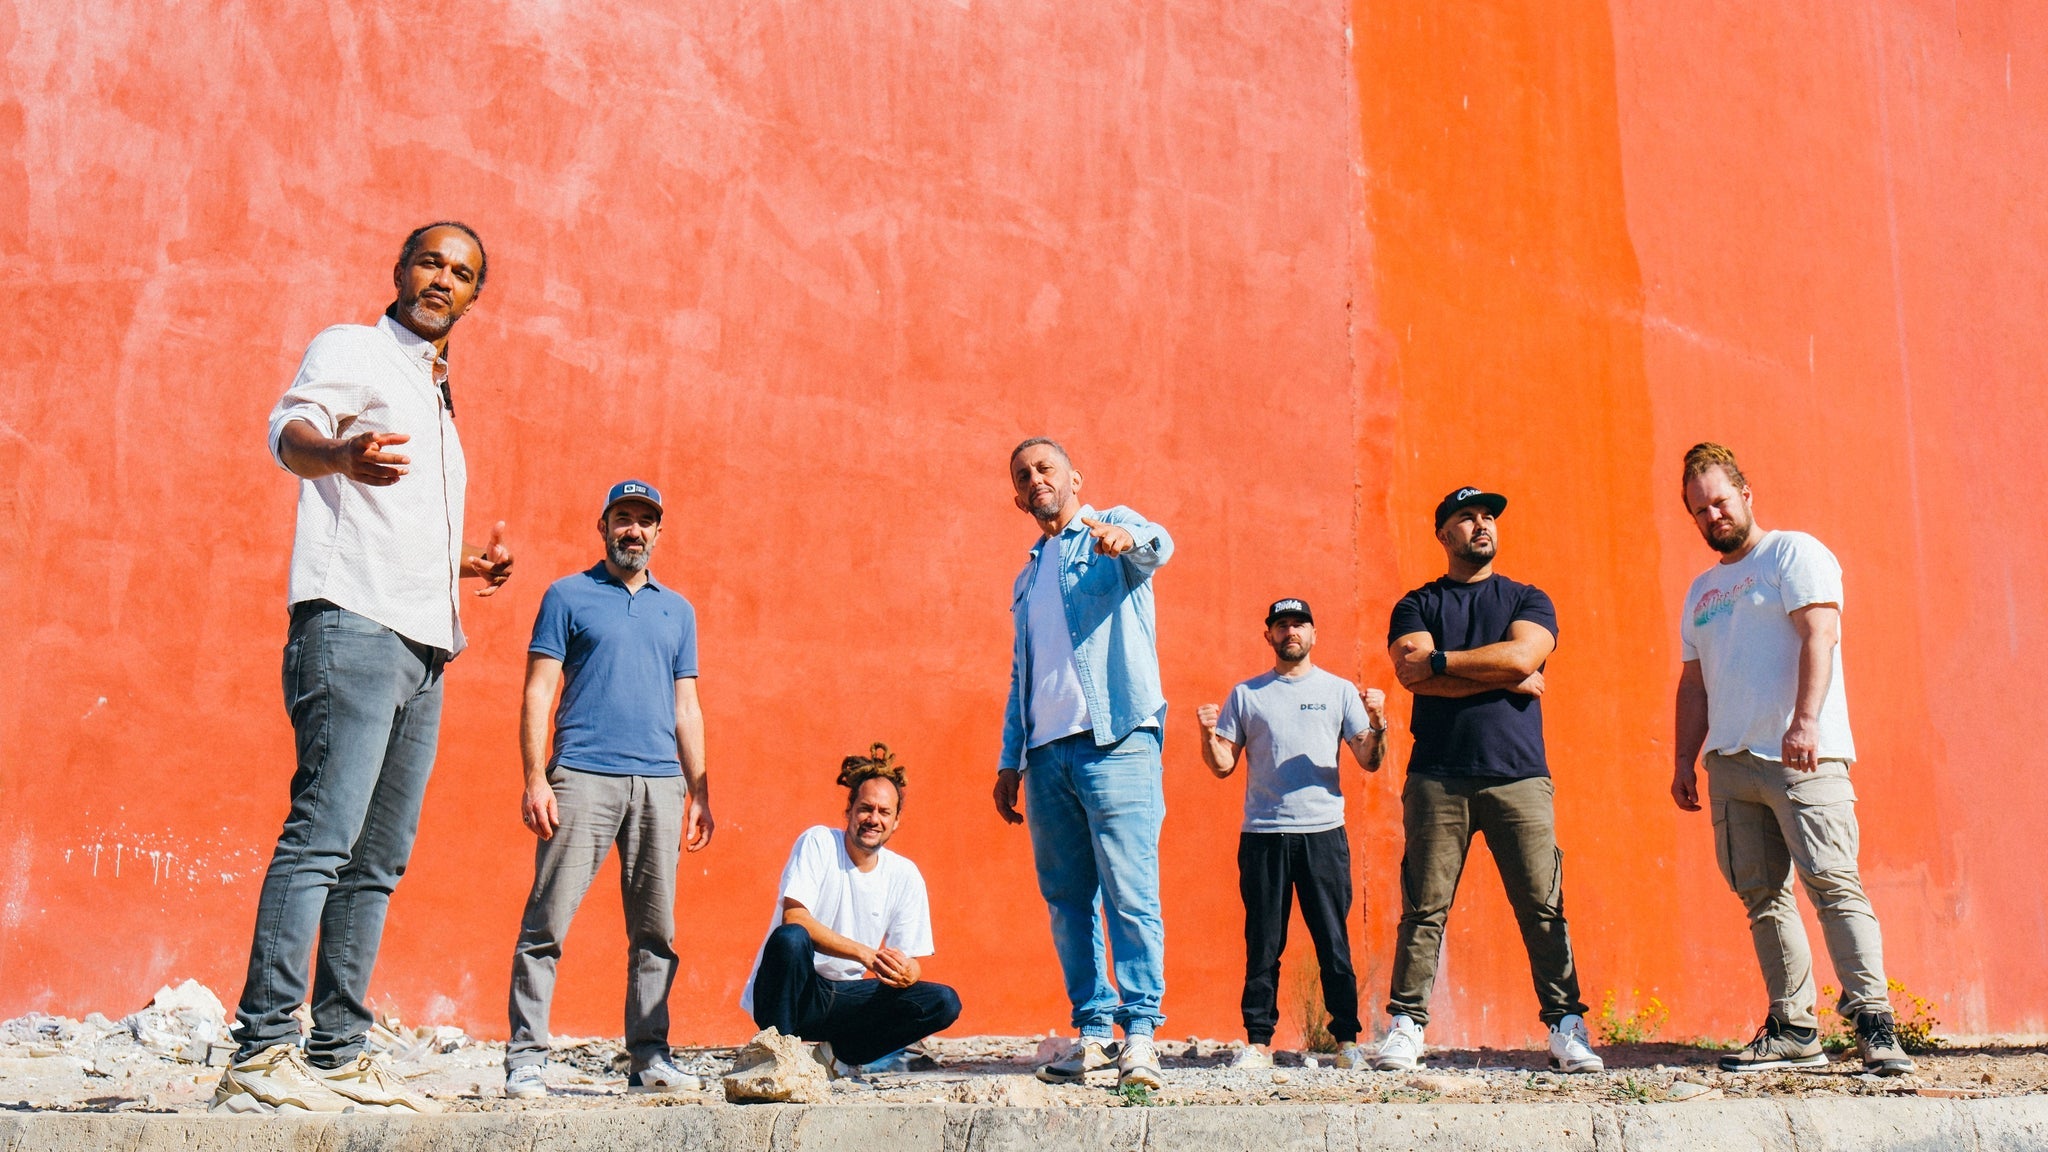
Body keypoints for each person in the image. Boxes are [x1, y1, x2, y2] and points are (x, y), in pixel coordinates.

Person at [215, 222, 515, 1115]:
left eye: (462, 273)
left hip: (425, 643)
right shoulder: (353, 347)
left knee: (378, 860)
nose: (443, 280)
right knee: (323, 837)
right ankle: (261, 1051)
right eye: (431, 262)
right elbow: (290, 432)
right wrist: (337, 455)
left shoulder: (435, 390)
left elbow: (399, 517)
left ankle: (339, 1052)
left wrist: (464, 563)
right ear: (400, 270)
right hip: (352, 624)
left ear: (474, 297)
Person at [1671, 443, 1913, 1075]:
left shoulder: (1793, 554)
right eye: (1700, 510)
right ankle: (1793, 1027)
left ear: (1746, 494)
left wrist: (1805, 722)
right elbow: (1694, 684)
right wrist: (1684, 760)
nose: (1713, 516)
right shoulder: (1701, 591)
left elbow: (1819, 635)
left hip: (1801, 756)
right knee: (1762, 898)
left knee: (1833, 884)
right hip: (1731, 763)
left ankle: (1875, 1023)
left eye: (1720, 501)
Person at [1369, 487, 1602, 1075]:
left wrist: (1444, 662)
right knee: (1424, 907)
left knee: (1542, 905)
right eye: (1467, 517)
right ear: (1443, 535)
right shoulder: (1416, 604)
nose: (1482, 524)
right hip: (1436, 777)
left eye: (1488, 517)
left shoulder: (1527, 597)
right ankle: (1406, 1025)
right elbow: (1411, 674)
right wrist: (1498, 674)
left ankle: (1565, 1026)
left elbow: (1522, 657)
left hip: (1518, 777)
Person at [503, 480, 714, 1099]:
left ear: (658, 532)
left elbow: (687, 706)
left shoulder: (678, 611)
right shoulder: (567, 596)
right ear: (603, 527)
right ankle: (526, 1059)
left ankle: (650, 1058)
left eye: (645, 521)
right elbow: (538, 691)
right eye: (623, 518)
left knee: (656, 933)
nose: (634, 530)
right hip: (581, 777)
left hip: (659, 783)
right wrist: (535, 776)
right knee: (546, 923)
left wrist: (700, 791)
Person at [993, 437, 1174, 1090]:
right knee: (1067, 900)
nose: (1035, 479)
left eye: (1046, 468)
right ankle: (1094, 1031)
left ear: (1075, 478)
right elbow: (1024, 672)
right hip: (1046, 756)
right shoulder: (1027, 576)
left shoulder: (1110, 527)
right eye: (1023, 476)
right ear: (1019, 498)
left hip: (1116, 737)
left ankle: (1141, 1034)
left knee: (1130, 890)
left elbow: (1159, 544)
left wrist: (1126, 541)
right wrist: (1010, 759)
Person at [1195, 598, 1387, 1070]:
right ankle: (1258, 1042)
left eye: (1299, 624)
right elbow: (1222, 765)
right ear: (1270, 636)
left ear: (1314, 634)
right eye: (1282, 625)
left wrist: (1379, 724)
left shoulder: (1339, 691)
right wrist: (1206, 734)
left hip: (1323, 833)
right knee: (1263, 943)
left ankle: (1346, 1042)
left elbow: (1369, 759)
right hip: (1264, 834)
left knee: (1333, 942)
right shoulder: (1247, 694)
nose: (1291, 632)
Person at [743, 744, 961, 1071]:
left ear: (896, 821)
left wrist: (906, 972)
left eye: (884, 812)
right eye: (865, 808)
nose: (873, 819)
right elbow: (795, 917)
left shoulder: (904, 875)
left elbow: (911, 960)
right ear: (849, 811)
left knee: (943, 1002)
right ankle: (776, 1059)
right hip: (792, 992)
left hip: (845, 1000)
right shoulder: (818, 842)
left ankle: (835, 1058)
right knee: (791, 938)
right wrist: (867, 955)